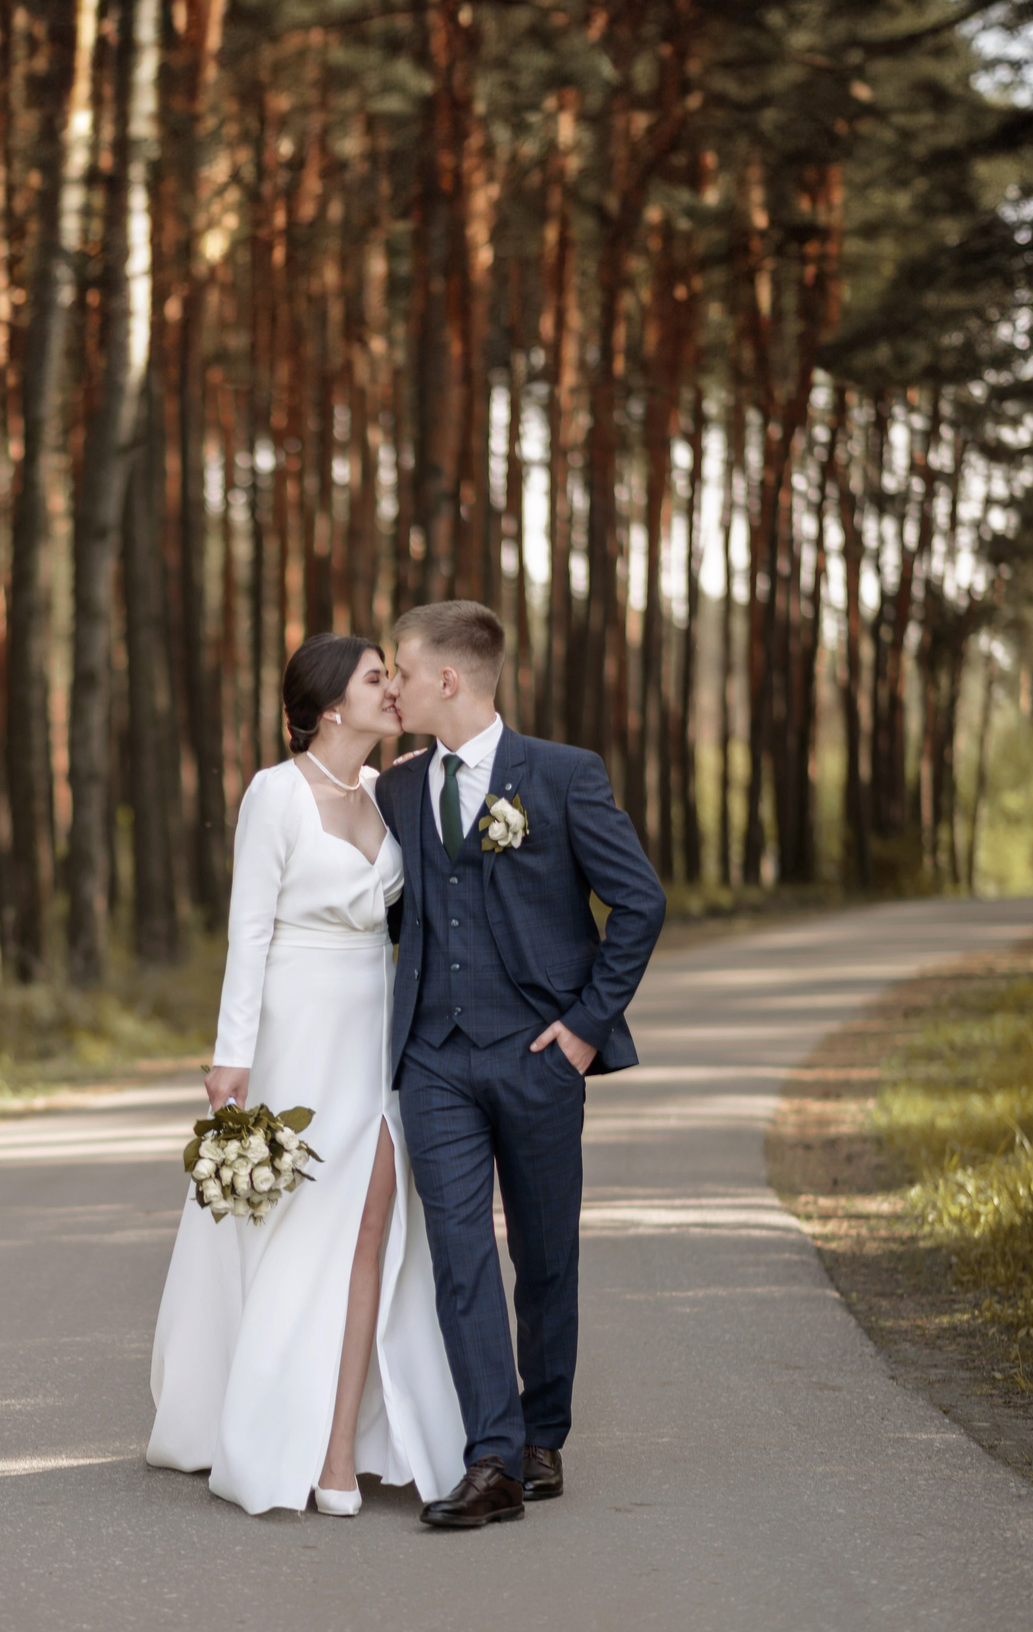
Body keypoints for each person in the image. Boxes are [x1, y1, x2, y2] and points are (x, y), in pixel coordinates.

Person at [146, 634, 463, 1517]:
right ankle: (265, 1424)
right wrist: (231, 1059)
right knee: (291, 1230)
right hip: (296, 1034)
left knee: (375, 1222)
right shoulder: (274, 794)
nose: (391, 689)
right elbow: (248, 932)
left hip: (376, 1030)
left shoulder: (384, 791)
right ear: (331, 706)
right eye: (375, 678)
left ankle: (338, 1451)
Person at [375, 600, 665, 1530]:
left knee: (543, 1258)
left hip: (540, 1055)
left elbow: (640, 904)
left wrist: (584, 1028)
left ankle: (543, 1433)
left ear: (448, 680)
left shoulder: (565, 776)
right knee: (459, 1256)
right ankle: (491, 1457)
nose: (394, 687)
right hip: (435, 1060)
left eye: (404, 673)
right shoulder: (397, 789)